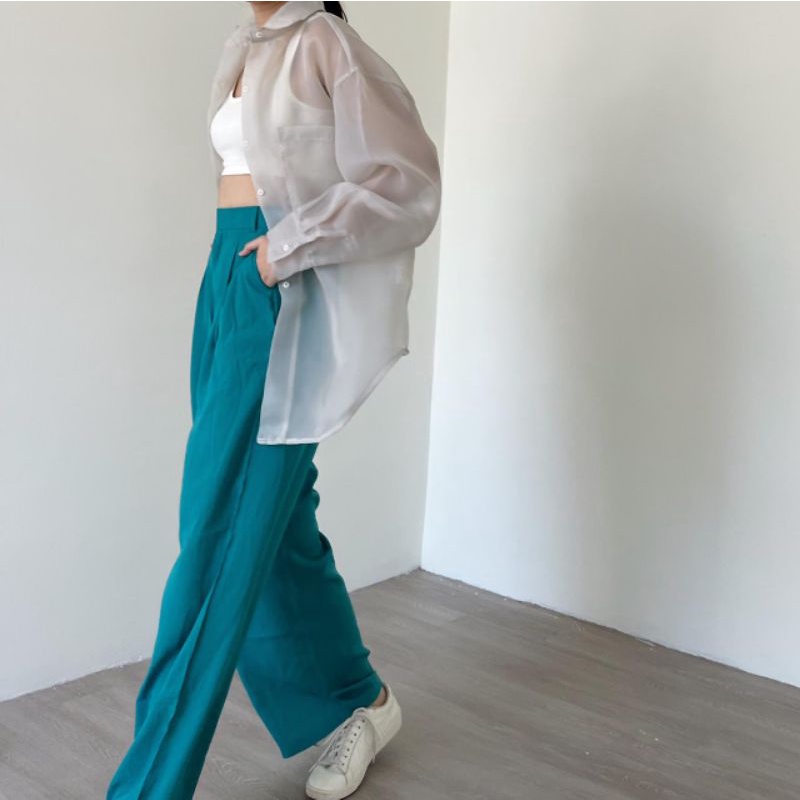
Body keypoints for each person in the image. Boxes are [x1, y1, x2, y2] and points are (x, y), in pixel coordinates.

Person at [105, 1, 442, 798]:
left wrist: (284, 249)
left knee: (217, 540)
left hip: (275, 292)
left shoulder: (326, 42)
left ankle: (148, 787)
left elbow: (408, 181)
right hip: (227, 282)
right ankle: (360, 700)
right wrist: (243, 269)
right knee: (271, 524)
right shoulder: (245, 47)